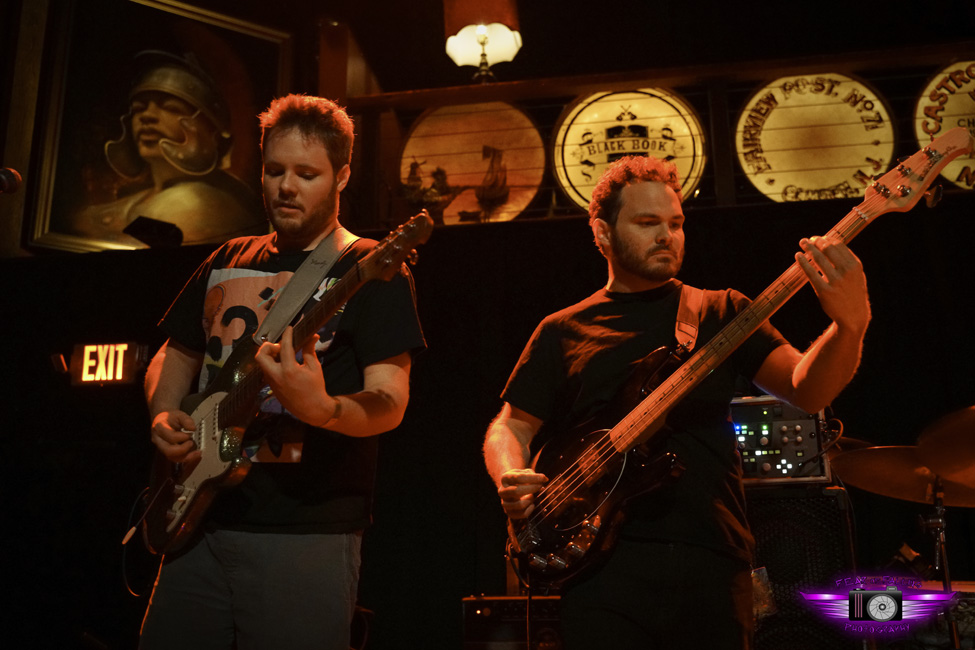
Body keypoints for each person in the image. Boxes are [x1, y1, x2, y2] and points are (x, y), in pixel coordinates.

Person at [482, 155, 870, 649]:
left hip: (711, 553)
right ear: (601, 232)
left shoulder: (721, 310)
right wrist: (510, 478)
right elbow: (509, 426)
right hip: (601, 565)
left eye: (676, 223)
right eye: (647, 223)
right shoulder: (561, 330)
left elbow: (807, 388)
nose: (667, 235)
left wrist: (848, 327)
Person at [139, 94, 425, 650]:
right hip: (197, 519)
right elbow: (175, 353)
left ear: (342, 176)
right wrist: (162, 414)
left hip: (305, 531)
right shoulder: (227, 257)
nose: (286, 186)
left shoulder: (367, 269)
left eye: (307, 173)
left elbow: (391, 400)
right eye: (274, 170)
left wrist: (322, 409)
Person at [74, 50, 266, 246]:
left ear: (210, 130)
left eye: (171, 108)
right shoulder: (139, 198)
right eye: (139, 108)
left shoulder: (199, 201)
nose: (147, 116)